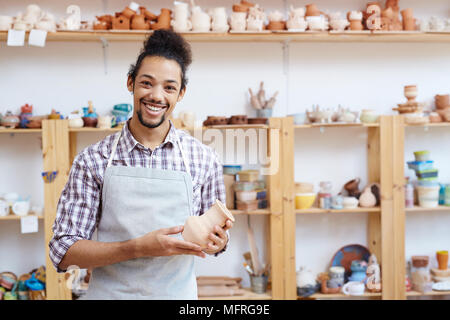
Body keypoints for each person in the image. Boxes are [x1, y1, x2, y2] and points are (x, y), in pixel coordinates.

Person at [49, 30, 233, 300]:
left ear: (181, 93)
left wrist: (219, 242)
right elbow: (62, 253)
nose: (157, 96)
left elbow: (213, 241)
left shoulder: (204, 159)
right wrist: (136, 248)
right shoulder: (92, 160)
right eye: (147, 83)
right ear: (130, 83)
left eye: (169, 87)